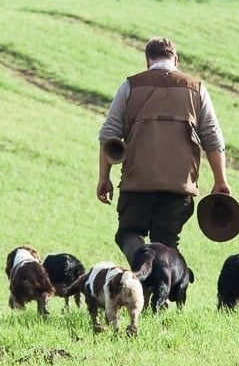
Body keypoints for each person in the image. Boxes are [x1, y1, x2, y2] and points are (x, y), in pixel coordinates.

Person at [96, 37, 231, 264]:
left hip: (137, 183)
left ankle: (142, 266)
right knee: (166, 242)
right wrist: (220, 181)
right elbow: (213, 138)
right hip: (179, 187)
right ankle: (164, 289)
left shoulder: (130, 86)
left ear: (148, 61)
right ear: (175, 59)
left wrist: (104, 177)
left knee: (129, 234)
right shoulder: (196, 89)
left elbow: (108, 134)